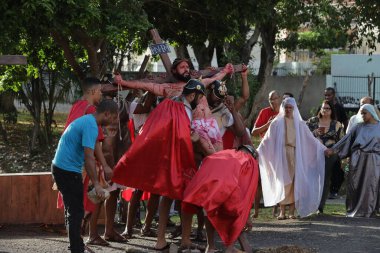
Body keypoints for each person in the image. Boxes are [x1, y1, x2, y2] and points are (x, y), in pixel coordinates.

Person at [112, 79, 206, 250]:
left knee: (167, 195)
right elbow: (181, 136)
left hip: (165, 157)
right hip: (178, 158)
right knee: (184, 196)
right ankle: (181, 239)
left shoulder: (169, 104)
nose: (200, 102)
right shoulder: (182, 108)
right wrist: (193, 138)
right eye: (199, 98)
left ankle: (163, 239)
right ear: (192, 95)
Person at [52, 99, 118, 253]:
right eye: (113, 117)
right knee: (76, 211)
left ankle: (76, 245)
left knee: (73, 209)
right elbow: (89, 158)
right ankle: (77, 247)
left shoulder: (89, 122)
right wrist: (96, 184)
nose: (113, 122)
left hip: (62, 168)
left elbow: (92, 152)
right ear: (106, 114)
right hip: (67, 171)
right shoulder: (90, 125)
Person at [182, 145, 259, 253]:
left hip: (205, 184)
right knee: (236, 213)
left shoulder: (224, 153)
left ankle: (211, 247)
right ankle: (229, 249)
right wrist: (246, 217)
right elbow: (246, 192)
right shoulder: (250, 161)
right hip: (227, 187)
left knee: (209, 209)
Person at [258, 97, 326, 219]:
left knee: (295, 181)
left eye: (290, 107)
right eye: (286, 107)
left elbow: (310, 139)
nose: (288, 109)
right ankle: (282, 212)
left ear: (294, 109)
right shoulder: (276, 123)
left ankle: (291, 212)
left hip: (295, 154)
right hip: (281, 154)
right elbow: (267, 140)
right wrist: (258, 151)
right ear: (283, 108)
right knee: (283, 181)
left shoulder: (299, 124)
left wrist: (323, 149)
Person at [325, 104, 380, 218]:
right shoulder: (358, 127)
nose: (362, 115)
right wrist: (333, 150)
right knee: (355, 185)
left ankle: (370, 211)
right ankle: (354, 209)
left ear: (372, 113)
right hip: (358, 160)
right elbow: (345, 140)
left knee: (371, 185)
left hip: (374, 160)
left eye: (365, 113)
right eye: (361, 113)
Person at [306, 100, 344, 213]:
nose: (325, 110)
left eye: (327, 108)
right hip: (313, 153)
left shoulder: (336, 124)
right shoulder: (312, 121)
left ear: (332, 110)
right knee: (311, 178)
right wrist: (314, 133)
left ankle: (320, 206)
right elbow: (303, 135)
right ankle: (309, 204)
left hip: (329, 155)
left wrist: (332, 150)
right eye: (323, 108)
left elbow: (341, 141)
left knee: (325, 178)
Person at [250, 90, 281, 218]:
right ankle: (256, 211)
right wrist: (268, 124)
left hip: (278, 149)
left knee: (277, 179)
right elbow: (254, 132)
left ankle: (275, 209)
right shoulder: (264, 112)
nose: (272, 101)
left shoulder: (284, 112)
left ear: (279, 98)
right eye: (270, 99)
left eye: (274, 98)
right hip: (264, 149)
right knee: (258, 181)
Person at [323, 87, 348, 199]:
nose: (327, 97)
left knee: (336, 168)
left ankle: (334, 190)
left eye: (329, 95)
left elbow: (345, 122)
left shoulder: (339, 108)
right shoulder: (322, 107)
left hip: (336, 144)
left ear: (333, 95)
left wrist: (343, 138)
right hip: (323, 145)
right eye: (325, 95)